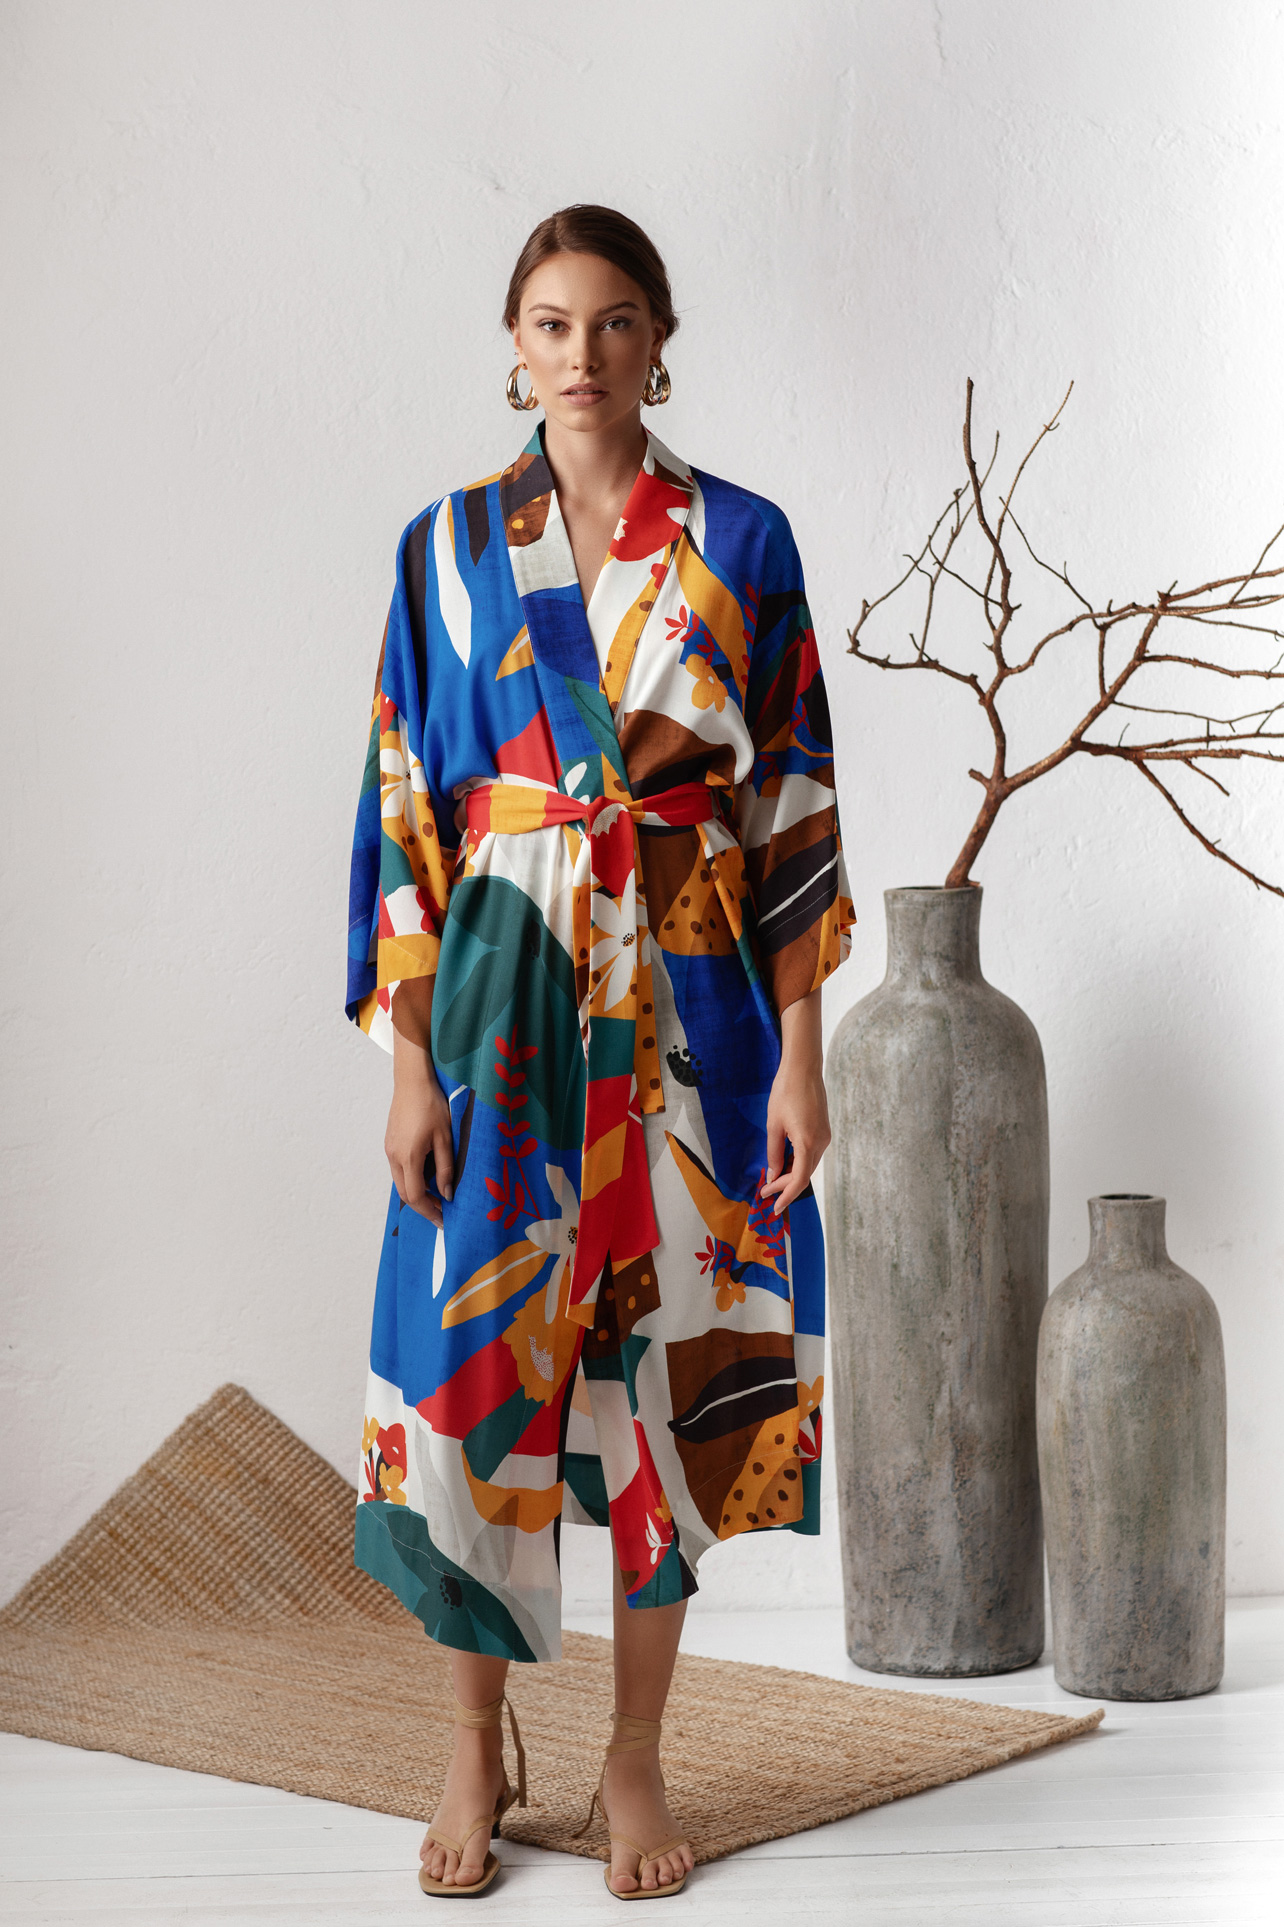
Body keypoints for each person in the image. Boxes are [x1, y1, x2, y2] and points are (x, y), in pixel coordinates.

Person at [345, 204, 854, 1900]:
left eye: (616, 320)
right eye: (553, 324)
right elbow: (405, 805)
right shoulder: (442, 548)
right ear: (517, 345)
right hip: (500, 1003)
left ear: (658, 341)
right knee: (475, 1378)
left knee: (669, 1379)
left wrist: (801, 1056)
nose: (584, 353)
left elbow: (792, 812)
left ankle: (633, 1756)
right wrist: (407, 1064)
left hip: (693, 1007)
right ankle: (470, 1738)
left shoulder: (745, 540)